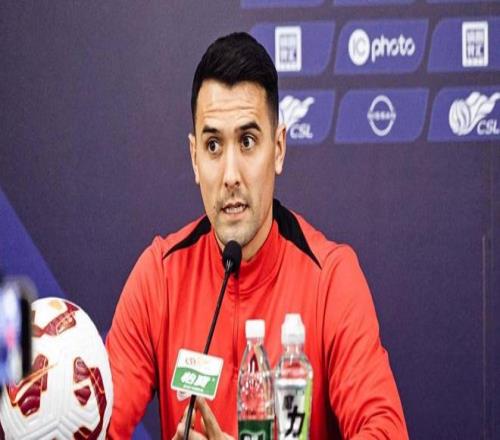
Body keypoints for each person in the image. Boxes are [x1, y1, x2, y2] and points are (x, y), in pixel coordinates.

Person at [106, 32, 409, 439]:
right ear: (194, 158)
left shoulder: (331, 278)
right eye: (214, 146)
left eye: (247, 142)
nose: (230, 175)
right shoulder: (159, 277)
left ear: (278, 148)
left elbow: (385, 431)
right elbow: (97, 425)